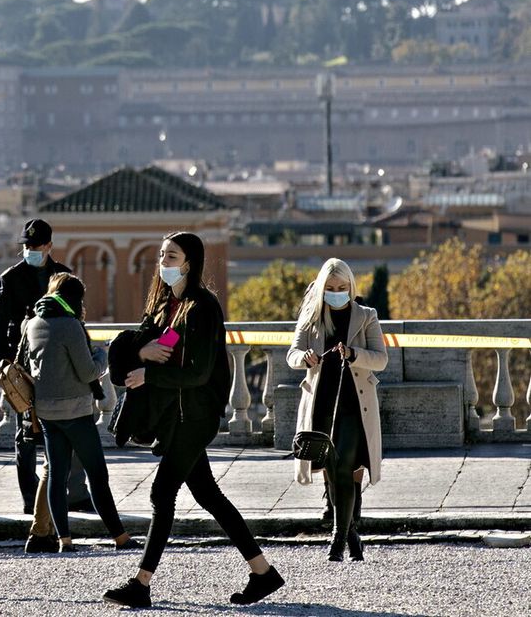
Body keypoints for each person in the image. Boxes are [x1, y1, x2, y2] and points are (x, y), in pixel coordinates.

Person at [102, 232, 284, 609]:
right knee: (207, 494)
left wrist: (150, 375)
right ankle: (263, 573)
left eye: (172, 256)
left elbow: (199, 373)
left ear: (189, 262)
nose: (164, 262)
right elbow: (150, 346)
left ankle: (141, 584)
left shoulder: (203, 307)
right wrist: (140, 352)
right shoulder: (166, 304)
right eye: (162, 256)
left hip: (195, 416)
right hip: (176, 416)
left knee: (161, 493)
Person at [0, 217, 92, 552]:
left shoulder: (63, 276)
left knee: (64, 436)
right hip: (21, 368)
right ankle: (28, 498)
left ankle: (72, 497)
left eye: (36, 246)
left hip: (55, 366)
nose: (30, 250)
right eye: (27, 246)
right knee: (26, 435)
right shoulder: (10, 278)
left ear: (49, 245)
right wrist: (3, 363)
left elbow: (78, 319)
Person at [21, 272, 137, 553]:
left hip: (47, 413)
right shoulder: (70, 325)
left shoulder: (33, 323)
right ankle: (120, 537)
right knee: (97, 474)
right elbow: (88, 372)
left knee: (56, 476)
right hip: (76, 411)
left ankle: (64, 540)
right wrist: (102, 354)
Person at [286, 257, 387, 562]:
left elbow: (380, 359)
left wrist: (354, 354)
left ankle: (337, 539)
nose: (336, 292)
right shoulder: (311, 316)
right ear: (321, 288)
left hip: (356, 407)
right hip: (321, 406)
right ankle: (352, 534)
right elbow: (291, 355)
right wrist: (304, 357)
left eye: (342, 287)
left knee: (346, 468)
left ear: (351, 286)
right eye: (330, 287)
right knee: (332, 472)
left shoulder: (366, 315)